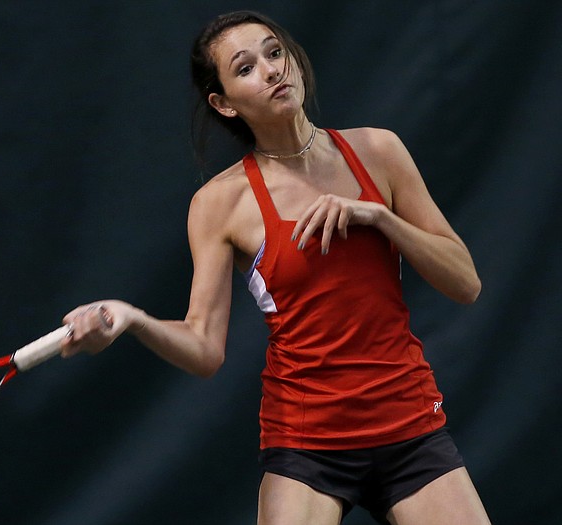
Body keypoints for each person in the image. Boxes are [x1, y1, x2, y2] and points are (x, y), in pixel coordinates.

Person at [60, 10, 490, 525]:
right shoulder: (220, 203)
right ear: (223, 103)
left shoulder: (380, 150)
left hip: (410, 423)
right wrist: (133, 318)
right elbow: (203, 349)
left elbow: (466, 283)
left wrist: (379, 217)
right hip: (308, 443)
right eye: (245, 68)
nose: (270, 71)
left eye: (274, 52)